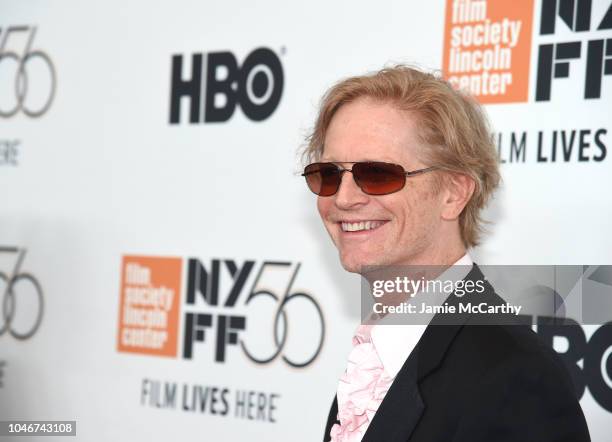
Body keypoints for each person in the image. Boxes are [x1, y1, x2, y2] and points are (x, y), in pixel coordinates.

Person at [301, 66, 590, 442]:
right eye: (329, 174)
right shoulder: (377, 351)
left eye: (377, 173)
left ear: (454, 193)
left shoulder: (517, 377)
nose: (343, 198)